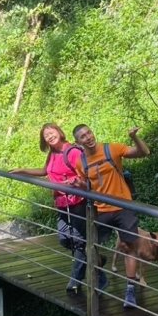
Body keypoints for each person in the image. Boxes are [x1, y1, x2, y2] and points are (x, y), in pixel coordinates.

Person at [10, 123, 105, 293]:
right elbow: (45, 171)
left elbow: (86, 174)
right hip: (62, 203)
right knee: (64, 239)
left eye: (51, 132)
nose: (49, 136)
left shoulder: (72, 152)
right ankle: (96, 259)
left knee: (79, 242)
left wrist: (74, 182)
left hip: (78, 202)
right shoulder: (52, 154)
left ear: (60, 133)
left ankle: (76, 281)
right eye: (46, 135)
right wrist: (23, 170)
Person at [71, 124, 150, 309]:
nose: (88, 137)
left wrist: (134, 137)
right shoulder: (80, 163)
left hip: (123, 206)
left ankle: (130, 289)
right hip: (101, 210)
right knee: (91, 247)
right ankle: (100, 274)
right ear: (78, 142)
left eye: (89, 133)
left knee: (129, 247)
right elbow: (88, 187)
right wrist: (79, 185)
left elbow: (144, 152)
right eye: (83, 136)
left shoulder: (111, 149)